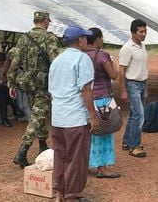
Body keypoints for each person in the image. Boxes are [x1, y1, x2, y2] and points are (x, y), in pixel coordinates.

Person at [48, 25, 99, 202]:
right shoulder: (82, 59)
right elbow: (86, 90)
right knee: (77, 159)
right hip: (75, 118)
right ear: (80, 40)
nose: (87, 41)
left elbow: (52, 91)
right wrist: (93, 116)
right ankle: (73, 196)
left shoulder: (57, 60)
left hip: (58, 117)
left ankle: (59, 193)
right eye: (85, 38)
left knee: (60, 155)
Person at [8, 11, 62, 168]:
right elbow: (55, 61)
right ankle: (22, 151)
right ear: (45, 21)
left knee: (37, 113)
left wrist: (11, 82)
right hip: (43, 84)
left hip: (27, 83)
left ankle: (43, 145)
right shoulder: (49, 37)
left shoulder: (24, 38)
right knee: (37, 117)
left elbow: (15, 61)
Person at [86, 27, 121, 179]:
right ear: (98, 39)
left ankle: (88, 163)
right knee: (105, 132)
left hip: (87, 100)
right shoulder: (102, 55)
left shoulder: (82, 55)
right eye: (102, 37)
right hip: (103, 99)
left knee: (89, 133)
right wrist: (113, 64)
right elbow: (114, 75)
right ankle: (102, 167)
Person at [119, 19, 148, 158]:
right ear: (133, 33)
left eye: (145, 31)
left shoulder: (142, 46)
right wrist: (123, 90)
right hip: (132, 85)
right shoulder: (127, 48)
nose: (144, 34)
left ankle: (127, 141)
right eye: (141, 32)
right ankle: (134, 146)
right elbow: (121, 70)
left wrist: (145, 85)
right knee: (139, 114)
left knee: (133, 114)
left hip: (142, 83)